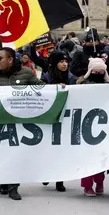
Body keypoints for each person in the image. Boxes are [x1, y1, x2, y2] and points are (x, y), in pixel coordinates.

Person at [0, 47, 43, 201]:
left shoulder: (26, 73)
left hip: (19, 121)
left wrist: (58, 87)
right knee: (2, 153)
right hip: (0, 120)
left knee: (15, 153)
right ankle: (4, 180)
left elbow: (41, 88)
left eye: (0, 58)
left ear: (10, 59)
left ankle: (13, 187)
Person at [41, 51, 76, 192]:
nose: (65, 64)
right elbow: (41, 92)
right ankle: (46, 172)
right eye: (61, 61)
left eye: (66, 61)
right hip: (50, 117)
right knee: (48, 148)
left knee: (61, 149)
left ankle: (60, 179)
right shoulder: (46, 77)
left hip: (66, 117)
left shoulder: (71, 78)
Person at [77, 58, 109, 196]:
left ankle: (100, 181)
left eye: (101, 70)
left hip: (102, 125)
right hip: (85, 125)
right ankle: (87, 186)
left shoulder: (108, 85)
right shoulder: (81, 84)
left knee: (100, 158)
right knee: (87, 158)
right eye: (95, 69)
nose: (98, 72)